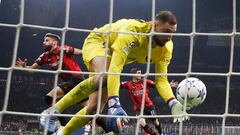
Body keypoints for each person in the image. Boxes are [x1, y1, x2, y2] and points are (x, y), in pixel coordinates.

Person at [44, 11, 188, 135]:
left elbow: (161, 80)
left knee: (94, 109)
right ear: (155, 25)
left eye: (173, 33)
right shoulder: (133, 32)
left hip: (111, 56)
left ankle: (61, 132)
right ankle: (52, 111)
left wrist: (172, 102)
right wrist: (114, 104)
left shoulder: (166, 48)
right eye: (167, 32)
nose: (170, 37)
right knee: (105, 76)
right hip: (99, 41)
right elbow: (115, 69)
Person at [16, 33, 87, 125]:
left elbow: (82, 52)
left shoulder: (63, 49)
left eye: (47, 40)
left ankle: (63, 124)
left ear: (54, 43)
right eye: (44, 40)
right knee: (90, 109)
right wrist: (24, 67)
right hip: (70, 82)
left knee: (49, 98)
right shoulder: (45, 56)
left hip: (77, 79)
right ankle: (106, 127)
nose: (44, 42)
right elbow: (32, 70)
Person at [121, 68, 178, 135]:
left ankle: (161, 133)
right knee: (141, 122)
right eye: (139, 73)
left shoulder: (145, 81)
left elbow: (158, 85)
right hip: (138, 108)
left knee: (156, 122)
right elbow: (118, 85)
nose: (141, 74)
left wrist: (168, 85)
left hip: (149, 106)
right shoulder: (128, 84)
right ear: (133, 74)